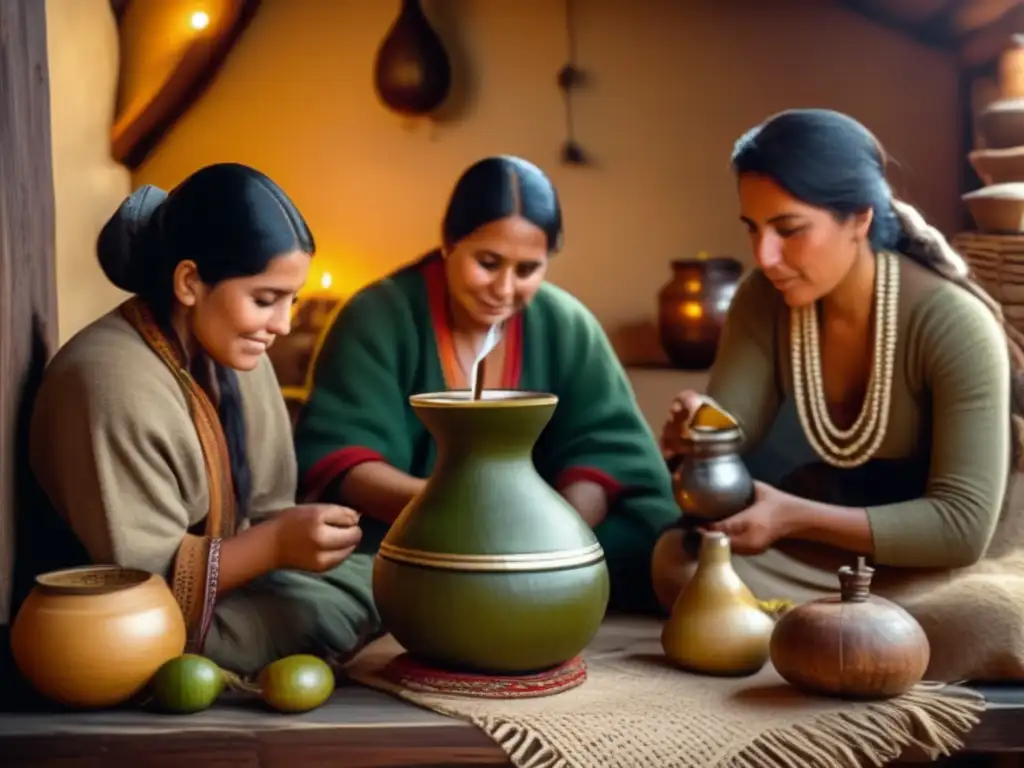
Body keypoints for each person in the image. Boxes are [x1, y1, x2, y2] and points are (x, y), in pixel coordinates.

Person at [652, 108, 1024, 682]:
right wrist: (698, 437)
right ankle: (852, 644)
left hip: (945, 560)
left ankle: (820, 640)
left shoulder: (952, 322)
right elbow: (732, 450)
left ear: (859, 219)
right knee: (677, 563)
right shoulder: (763, 300)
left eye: (789, 229)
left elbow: (960, 528)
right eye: (753, 227)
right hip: (822, 556)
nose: (764, 256)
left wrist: (794, 518)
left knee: (990, 617)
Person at [20, 163, 380, 677]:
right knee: (324, 613)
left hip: (232, 590)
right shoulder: (107, 381)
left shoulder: (235, 353)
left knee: (390, 581)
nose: (282, 325)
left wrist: (304, 536)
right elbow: (144, 585)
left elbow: (266, 510)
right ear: (189, 281)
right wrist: (277, 545)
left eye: (291, 301)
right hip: (122, 625)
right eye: (265, 299)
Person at [293, 155, 678, 612]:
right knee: (337, 586)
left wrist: (551, 533)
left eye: (527, 269)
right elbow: (344, 458)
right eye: (488, 262)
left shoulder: (567, 323)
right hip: (412, 531)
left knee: (663, 551)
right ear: (449, 241)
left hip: (546, 538)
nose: (504, 288)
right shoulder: (376, 316)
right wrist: (463, 514)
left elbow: (606, 449)